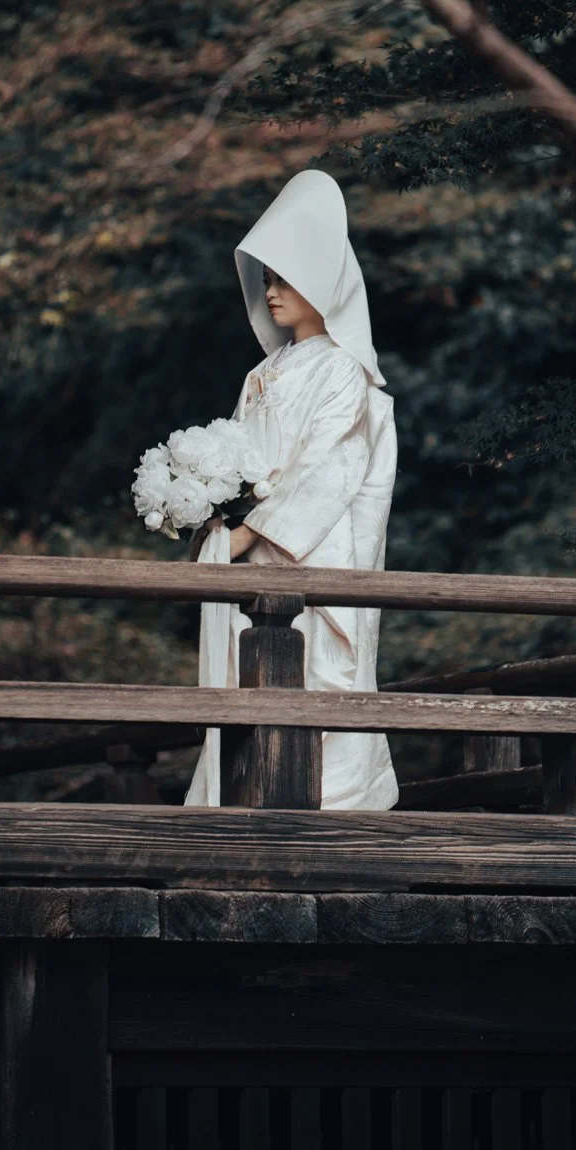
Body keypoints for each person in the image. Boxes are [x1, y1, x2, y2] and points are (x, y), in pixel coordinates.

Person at [184, 167, 399, 809]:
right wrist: (212, 507)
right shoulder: (261, 372)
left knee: (320, 677)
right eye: (267, 279)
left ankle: (325, 814)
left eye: (283, 277)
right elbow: (243, 458)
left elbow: (328, 469)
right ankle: (245, 805)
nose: (271, 291)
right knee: (244, 683)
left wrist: (252, 530)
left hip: (314, 549)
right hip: (251, 550)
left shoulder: (343, 371)